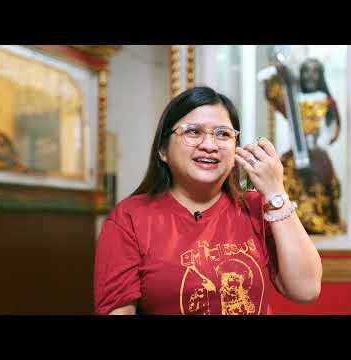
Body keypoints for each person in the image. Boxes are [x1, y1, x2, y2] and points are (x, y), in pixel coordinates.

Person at [94, 86, 322, 315]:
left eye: (223, 134)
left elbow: (306, 289)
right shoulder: (130, 218)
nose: (209, 145)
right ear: (163, 149)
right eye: (193, 132)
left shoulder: (256, 208)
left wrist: (275, 191)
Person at [262, 53, 345, 236]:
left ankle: (318, 219)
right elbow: (275, 97)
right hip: (296, 154)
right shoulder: (293, 100)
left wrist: (319, 141)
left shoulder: (326, 101)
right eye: (306, 72)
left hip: (316, 153)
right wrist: (278, 71)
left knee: (319, 183)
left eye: (315, 72)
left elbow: (332, 128)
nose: (310, 76)